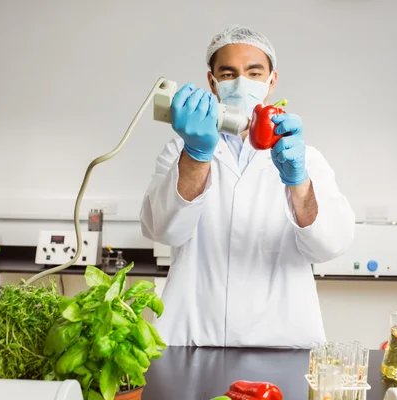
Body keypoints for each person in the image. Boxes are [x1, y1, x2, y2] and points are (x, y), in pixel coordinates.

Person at [140, 25, 355, 348]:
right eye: (228, 74)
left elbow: (329, 246)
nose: (242, 83)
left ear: (272, 81)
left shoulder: (305, 157)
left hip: (281, 340)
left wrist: (298, 182)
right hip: (194, 338)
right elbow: (162, 230)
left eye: (254, 72)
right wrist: (197, 155)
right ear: (212, 82)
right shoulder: (180, 150)